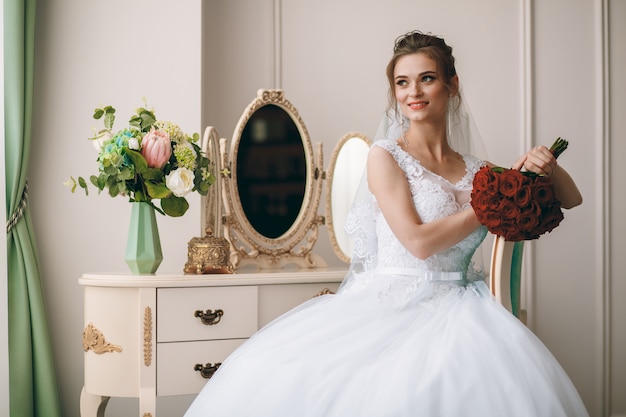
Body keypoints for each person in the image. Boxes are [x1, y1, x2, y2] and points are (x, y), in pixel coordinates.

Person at [184, 30, 587, 417]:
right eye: (402, 82)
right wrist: (489, 204)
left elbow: (571, 198)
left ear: (452, 85)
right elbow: (418, 243)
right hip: (392, 304)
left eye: (427, 79)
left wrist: (545, 167)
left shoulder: (478, 170)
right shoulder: (386, 157)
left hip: (466, 307)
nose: (413, 92)